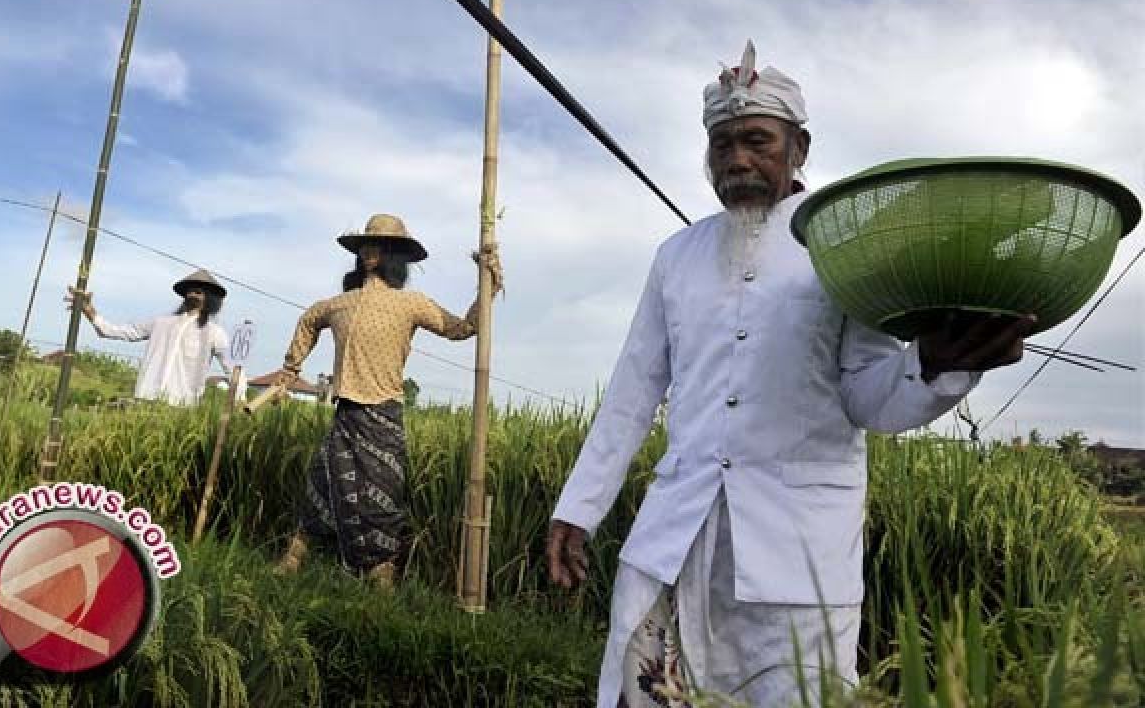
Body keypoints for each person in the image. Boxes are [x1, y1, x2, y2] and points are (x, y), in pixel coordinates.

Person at [545, 41, 1034, 707]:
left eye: (756, 140)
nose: (737, 160)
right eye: (721, 145)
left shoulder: (842, 248)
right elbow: (633, 393)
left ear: (798, 148)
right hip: (676, 542)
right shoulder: (676, 257)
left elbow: (868, 397)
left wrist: (935, 366)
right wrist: (579, 507)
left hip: (798, 559)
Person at [272, 213, 503, 589]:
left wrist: (488, 284)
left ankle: (382, 579)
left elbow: (463, 328)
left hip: (383, 415)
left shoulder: (410, 304)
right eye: (365, 244)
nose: (368, 251)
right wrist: (289, 369)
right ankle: (292, 561)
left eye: (379, 245)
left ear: (394, 253)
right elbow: (308, 320)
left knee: (383, 496)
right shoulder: (339, 304)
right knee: (322, 486)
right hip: (346, 413)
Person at [66, 269, 231, 406]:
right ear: (185, 293)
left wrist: (241, 399)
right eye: (192, 287)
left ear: (210, 296)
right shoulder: (161, 323)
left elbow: (231, 368)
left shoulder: (214, 333)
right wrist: (89, 311)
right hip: (146, 398)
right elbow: (114, 330)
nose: (195, 290)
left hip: (183, 406)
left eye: (201, 288)